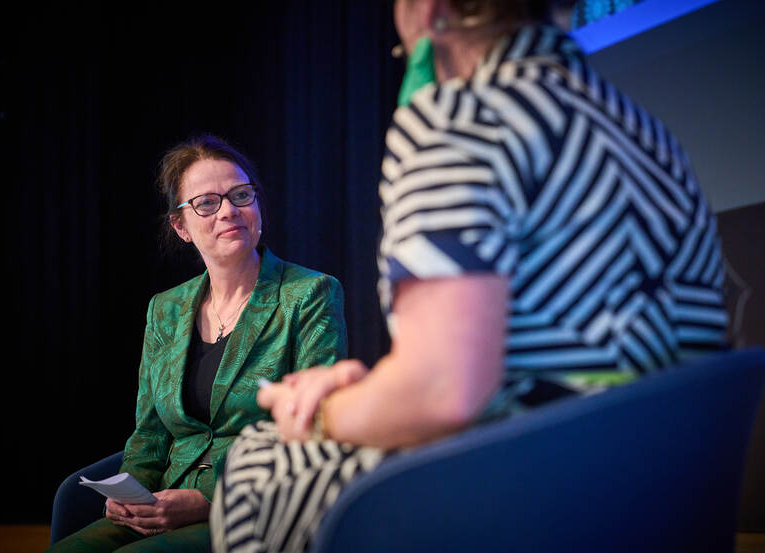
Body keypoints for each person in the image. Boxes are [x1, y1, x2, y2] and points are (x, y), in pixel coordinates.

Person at [212, 0, 729, 551]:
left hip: (539, 496)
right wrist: (379, 391)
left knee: (258, 459)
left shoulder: (459, 117)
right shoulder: (650, 135)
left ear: (427, 11)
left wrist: (318, 415)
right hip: (661, 495)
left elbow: (444, 392)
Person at [47, 135, 348, 553]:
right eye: (207, 202)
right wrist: (129, 493)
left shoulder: (310, 293)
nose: (229, 211)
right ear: (180, 226)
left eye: (241, 195)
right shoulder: (165, 309)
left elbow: (311, 427)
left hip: (253, 509)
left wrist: (207, 500)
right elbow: (150, 430)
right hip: (163, 503)